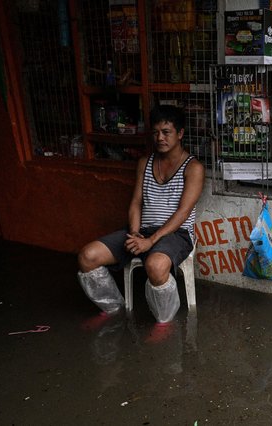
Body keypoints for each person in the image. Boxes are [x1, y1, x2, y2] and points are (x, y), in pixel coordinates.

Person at [77, 105, 205, 323]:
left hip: (177, 234)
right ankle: (113, 308)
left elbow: (183, 213)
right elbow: (136, 202)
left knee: (155, 266)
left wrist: (151, 241)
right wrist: (136, 234)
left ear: (180, 133)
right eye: (155, 133)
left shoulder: (193, 168)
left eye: (166, 132)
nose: (160, 138)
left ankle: (164, 320)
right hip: (142, 230)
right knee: (87, 256)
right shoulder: (144, 163)